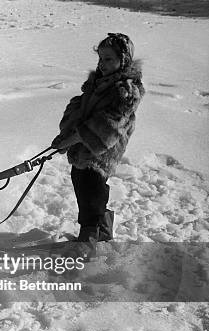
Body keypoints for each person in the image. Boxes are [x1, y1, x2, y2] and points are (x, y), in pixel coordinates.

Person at [51, 33, 145, 253]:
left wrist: (73, 138)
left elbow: (108, 125)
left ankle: (88, 240)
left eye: (109, 59)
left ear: (124, 60)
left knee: (91, 189)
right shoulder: (97, 83)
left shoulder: (126, 91)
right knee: (80, 179)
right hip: (83, 146)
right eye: (100, 59)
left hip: (102, 150)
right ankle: (102, 228)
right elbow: (81, 108)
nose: (102, 64)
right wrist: (67, 135)